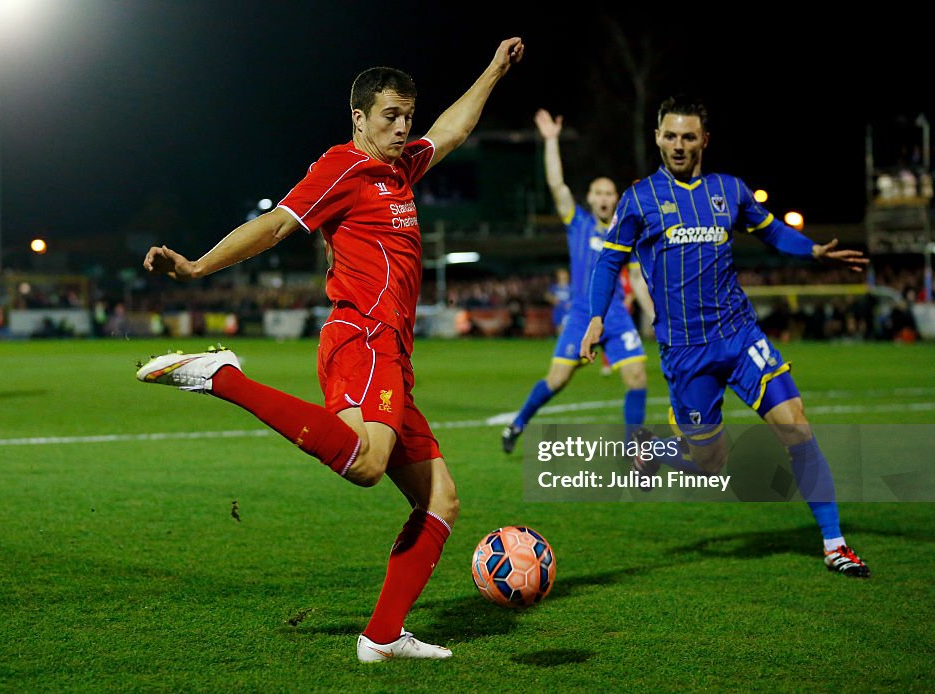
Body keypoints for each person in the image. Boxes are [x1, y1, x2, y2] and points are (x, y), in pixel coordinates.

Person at [136, 38, 525, 661]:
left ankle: (382, 637)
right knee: (370, 465)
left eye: (407, 116)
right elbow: (275, 224)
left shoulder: (400, 168)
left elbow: (450, 131)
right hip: (364, 338)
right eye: (390, 117)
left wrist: (492, 71)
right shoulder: (344, 167)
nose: (403, 128)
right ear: (359, 119)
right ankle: (222, 377)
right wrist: (200, 267)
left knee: (441, 499)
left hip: (390, 351)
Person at [581, 95, 871, 577]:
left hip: (740, 336)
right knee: (709, 461)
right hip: (686, 352)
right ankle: (655, 449)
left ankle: (835, 544)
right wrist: (596, 319)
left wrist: (814, 249)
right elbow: (610, 260)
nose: (678, 145)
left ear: (704, 140)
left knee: (796, 424)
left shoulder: (729, 191)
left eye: (688, 136)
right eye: (670, 136)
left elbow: (773, 232)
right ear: (657, 138)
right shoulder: (638, 200)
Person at [502, 109, 654, 454]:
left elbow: (637, 280)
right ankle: (518, 423)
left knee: (638, 378)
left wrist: (654, 315)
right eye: (598, 193)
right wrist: (552, 141)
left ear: (615, 200)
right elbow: (557, 184)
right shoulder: (579, 223)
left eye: (609, 193)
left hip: (614, 315)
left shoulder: (624, 235)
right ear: (590, 198)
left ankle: (636, 454)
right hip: (581, 315)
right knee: (556, 380)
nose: (604, 198)